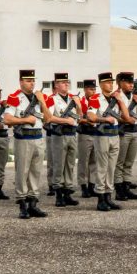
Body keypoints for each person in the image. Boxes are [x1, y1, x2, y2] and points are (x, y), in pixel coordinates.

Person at [3, 70, 53, 219]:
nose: (31, 83)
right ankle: (22, 205)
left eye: (33, 80)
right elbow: (7, 119)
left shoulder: (39, 98)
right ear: (21, 82)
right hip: (23, 138)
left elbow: (48, 119)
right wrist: (25, 120)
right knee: (22, 172)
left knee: (36, 172)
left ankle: (33, 204)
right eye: (28, 80)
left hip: (38, 137)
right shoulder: (14, 98)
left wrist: (42, 101)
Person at [87, 72, 129, 211]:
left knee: (111, 167)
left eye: (111, 82)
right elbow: (91, 116)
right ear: (101, 84)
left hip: (114, 135)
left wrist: (120, 100)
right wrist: (104, 119)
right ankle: (100, 198)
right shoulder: (95, 98)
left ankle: (108, 196)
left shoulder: (116, 99)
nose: (110, 84)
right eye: (107, 82)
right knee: (102, 168)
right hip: (102, 135)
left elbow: (126, 117)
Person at [46, 72, 82, 207]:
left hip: (72, 134)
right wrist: (65, 120)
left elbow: (80, 116)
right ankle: (59, 195)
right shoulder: (52, 99)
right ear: (56, 85)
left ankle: (67, 193)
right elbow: (48, 117)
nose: (66, 84)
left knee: (70, 165)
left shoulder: (73, 98)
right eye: (62, 82)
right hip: (59, 135)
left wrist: (78, 105)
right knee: (59, 165)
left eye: (67, 82)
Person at [114, 72, 137, 200]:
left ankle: (126, 187)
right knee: (120, 162)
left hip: (134, 130)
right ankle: (119, 189)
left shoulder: (133, 96)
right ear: (120, 83)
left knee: (129, 162)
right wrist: (126, 120)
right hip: (123, 131)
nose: (131, 85)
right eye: (128, 82)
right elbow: (115, 115)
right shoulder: (116, 96)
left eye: (132, 83)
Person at [77, 79, 99, 198]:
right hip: (85, 133)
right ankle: (83, 186)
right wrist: (88, 120)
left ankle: (92, 185)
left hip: (96, 133)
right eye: (91, 89)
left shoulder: (97, 100)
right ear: (85, 89)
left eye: (94, 89)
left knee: (94, 162)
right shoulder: (80, 101)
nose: (93, 91)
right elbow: (78, 118)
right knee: (83, 162)